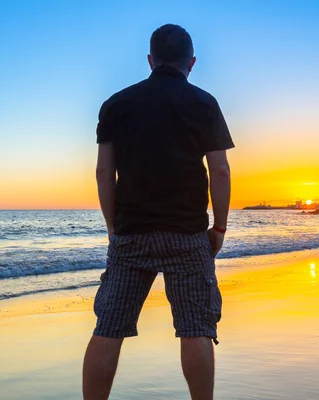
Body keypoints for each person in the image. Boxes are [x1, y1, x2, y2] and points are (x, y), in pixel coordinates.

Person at [82, 24, 234, 400]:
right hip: (187, 235)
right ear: (192, 62)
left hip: (131, 233)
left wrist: (113, 228)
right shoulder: (203, 102)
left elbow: (104, 172)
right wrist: (219, 228)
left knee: (109, 327)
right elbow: (220, 170)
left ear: (150, 60)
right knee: (196, 328)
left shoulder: (117, 103)